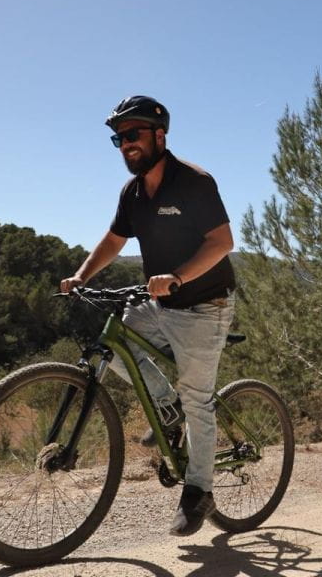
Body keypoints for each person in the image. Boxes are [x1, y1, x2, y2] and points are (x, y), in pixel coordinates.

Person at [60, 95, 236, 536]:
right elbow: (114, 240)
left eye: (133, 134)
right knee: (114, 343)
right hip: (160, 304)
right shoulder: (133, 192)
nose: (126, 144)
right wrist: (81, 275)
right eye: (119, 139)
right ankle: (167, 407)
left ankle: (199, 489)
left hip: (205, 305)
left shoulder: (194, 182)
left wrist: (177, 276)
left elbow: (222, 243)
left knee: (198, 398)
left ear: (160, 135)